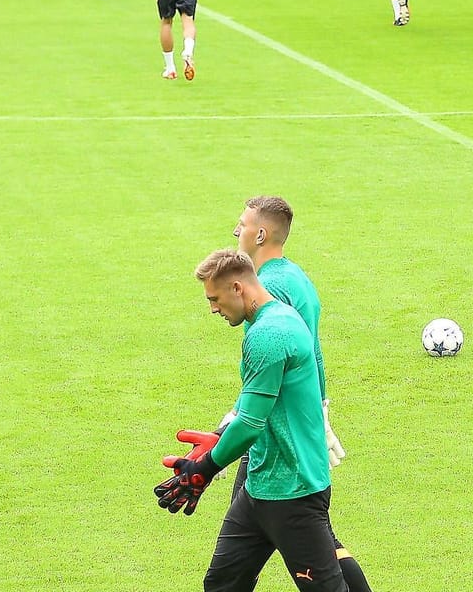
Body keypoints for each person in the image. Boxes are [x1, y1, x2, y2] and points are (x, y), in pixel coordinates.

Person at [154, 250, 360, 592]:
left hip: (292, 492)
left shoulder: (269, 336)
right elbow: (255, 401)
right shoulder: (276, 320)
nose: (213, 309)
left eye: (215, 299)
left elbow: (251, 423)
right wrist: (220, 436)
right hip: (260, 488)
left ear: (237, 288)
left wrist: (205, 468)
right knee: (223, 584)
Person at [227, 199, 371, 591]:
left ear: (260, 234)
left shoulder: (266, 288)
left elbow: (272, 372)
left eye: (241, 225)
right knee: (314, 538)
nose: (234, 232)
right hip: (299, 421)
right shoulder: (294, 276)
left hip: (278, 434)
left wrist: (231, 427)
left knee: (255, 549)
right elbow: (312, 353)